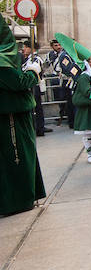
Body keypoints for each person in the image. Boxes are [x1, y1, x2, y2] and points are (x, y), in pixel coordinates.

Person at [1, 19, 46, 216]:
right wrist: (33, 72)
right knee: (17, 158)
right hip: (10, 117)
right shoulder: (2, 63)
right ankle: (17, 200)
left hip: (13, 114)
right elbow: (17, 82)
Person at [54, 33, 91, 164]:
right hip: (86, 108)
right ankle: (90, 154)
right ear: (88, 63)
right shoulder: (84, 77)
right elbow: (88, 92)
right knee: (88, 132)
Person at [20, 40, 50, 135]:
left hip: (35, 86)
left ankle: (39, 128)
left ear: (31, 48)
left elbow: (33, 71)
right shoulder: (27, 59)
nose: (23, 49)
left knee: (36, 108)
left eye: (25, 47)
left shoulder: (35, 59)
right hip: (30, 86)